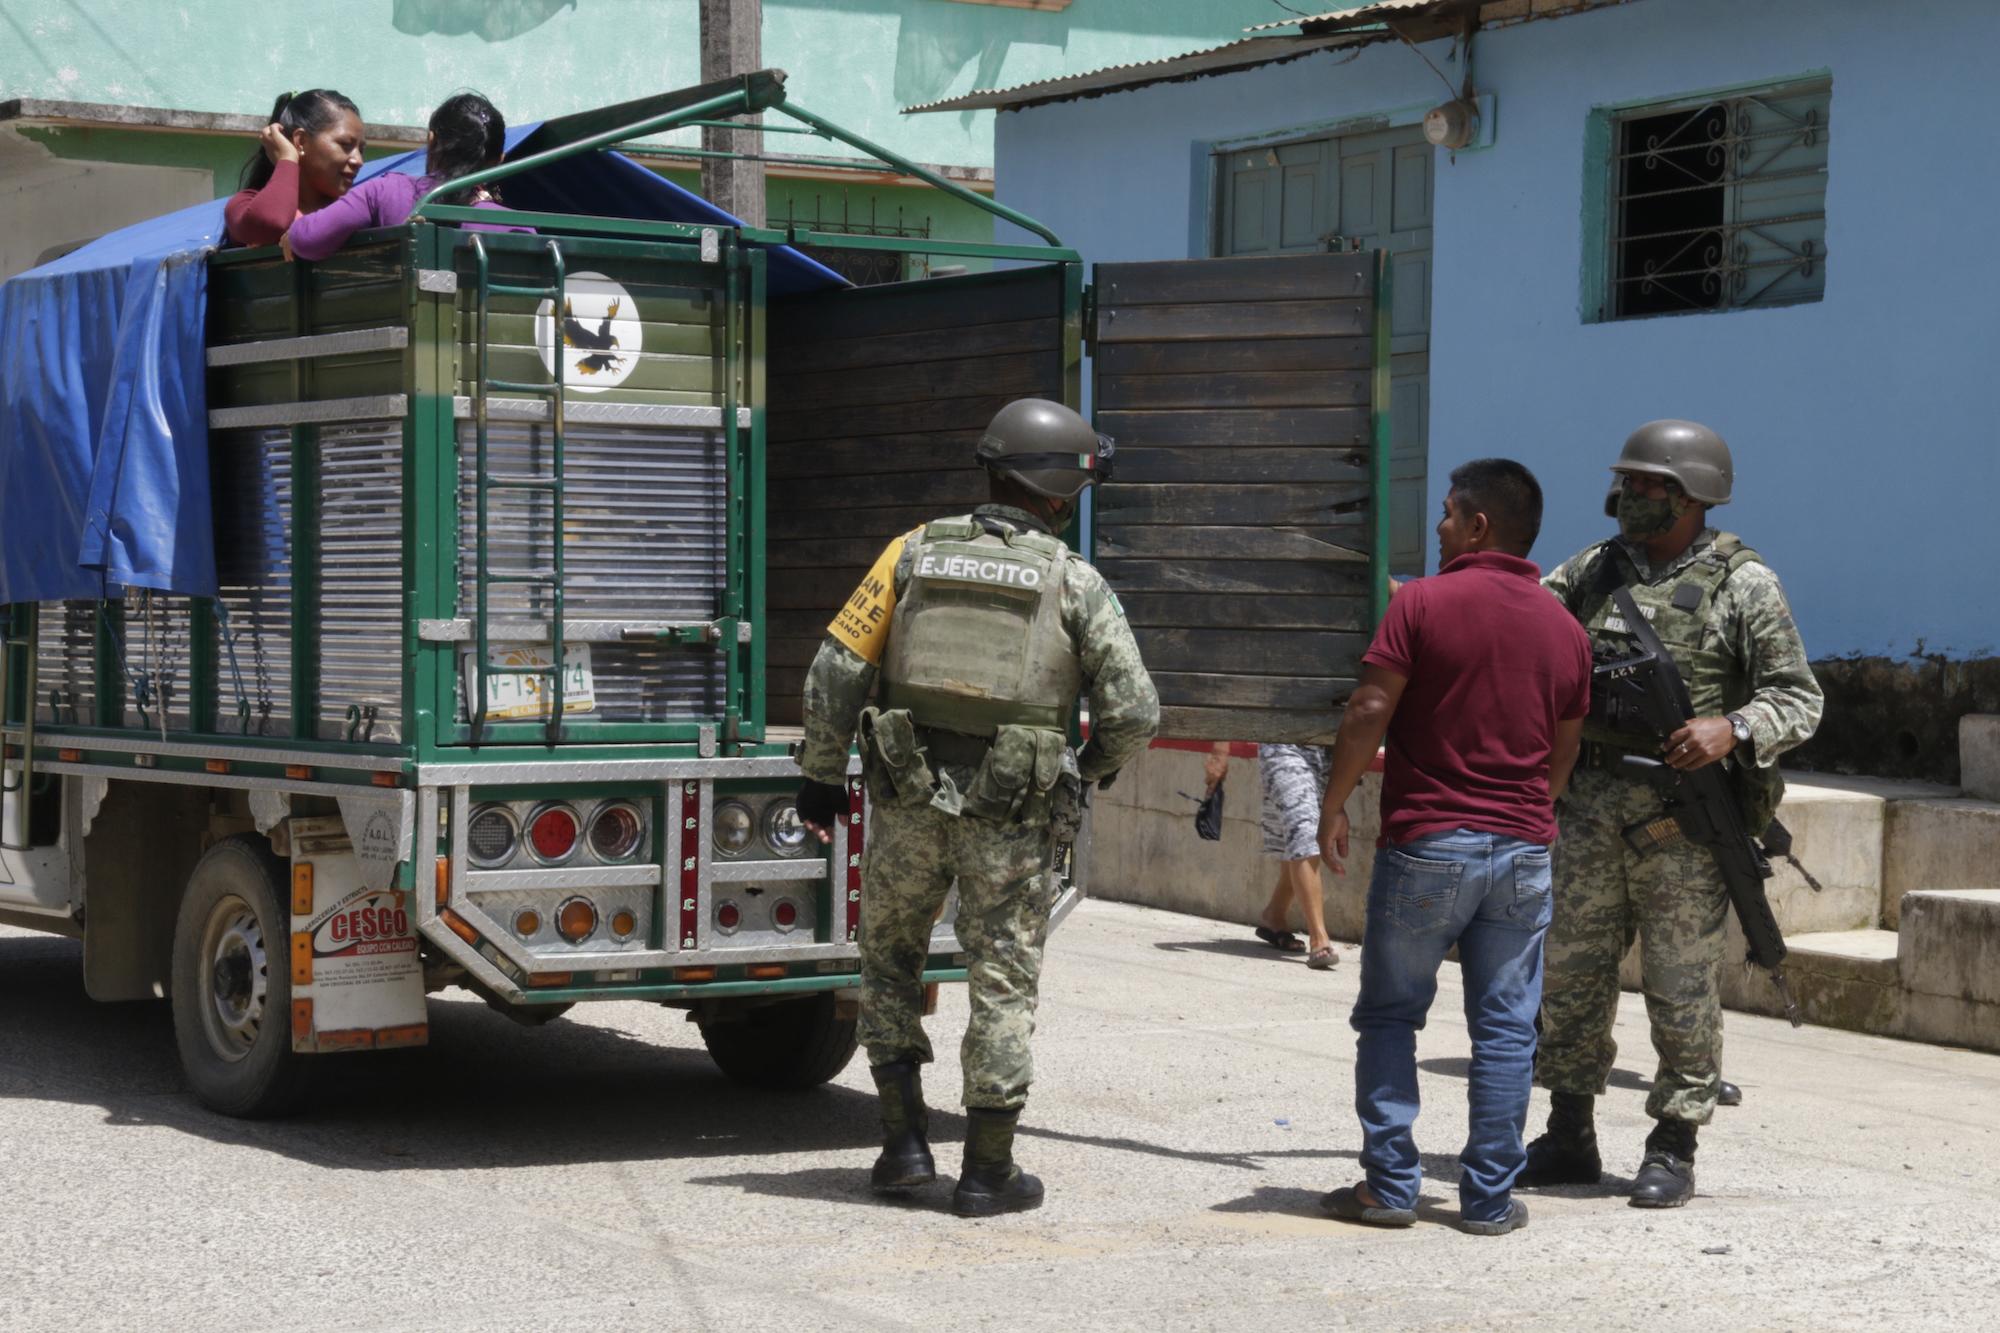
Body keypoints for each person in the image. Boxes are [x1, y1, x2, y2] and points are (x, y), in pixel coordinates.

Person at [794, 398, 1159, 1217]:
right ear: (1060, 494)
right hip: (1013, 818)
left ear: (993, 471)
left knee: (888, 961)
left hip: (908, 801)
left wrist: (821, 772)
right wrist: (1084, 769)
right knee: (1001, 978)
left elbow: (833, 671)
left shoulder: (910, 553)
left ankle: (901, 1147)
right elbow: (1136, 710)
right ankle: (988, 1172)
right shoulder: (1074, 580)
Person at [1521, 420, 1822, 1208]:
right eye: (1626, 481)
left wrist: (1733, 727)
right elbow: (1523, 625)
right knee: (1571, 975)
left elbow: (1799, 697)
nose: (1626, 495)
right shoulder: (1592, 569)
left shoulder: (1742, 583)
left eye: (1646, 484)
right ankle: (1567, 1131)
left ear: (1688, 495)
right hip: (1586, 809)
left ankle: (1673, 1141)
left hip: (1682, 826)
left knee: (1680, 984)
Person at [1315, 458, 1590, 1236]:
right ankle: (1489, 1199)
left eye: (1444, 514)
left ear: (1478, 525)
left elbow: (1370, 703)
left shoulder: (1422, 604)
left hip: (1429, 844)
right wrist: (1533, 815)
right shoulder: (1565, 630)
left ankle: (1393, 1186)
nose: (1435, 527)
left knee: (1393, 1014)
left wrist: (1334, 803)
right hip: (1523, 850)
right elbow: (1564, 751)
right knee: (1505, 1029)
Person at [284, 92, 529, 260]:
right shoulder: (520, 229)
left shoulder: (384, 192)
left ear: (431, 141)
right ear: (499, 161)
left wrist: (292, 236)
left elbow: (309, 239)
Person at [1203, 741, 1336, 967]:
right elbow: (1237, 704)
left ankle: (1274, 914)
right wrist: (1220, 750)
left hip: (1328, 750)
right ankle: (1319, 939)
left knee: (1292, 840)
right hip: (1283, 745)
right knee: (1304, 832)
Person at [225, 90, 364, 248]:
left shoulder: (358, 209)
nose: (359, 161)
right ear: (301, 142)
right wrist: (287, 158)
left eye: (361, 150)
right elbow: (271, 223)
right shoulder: (244, 205)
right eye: (345, 144)